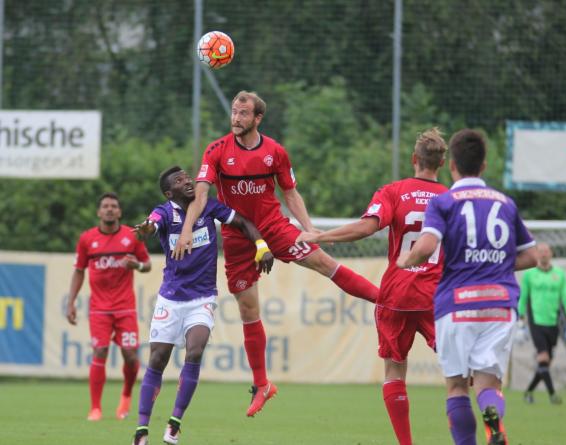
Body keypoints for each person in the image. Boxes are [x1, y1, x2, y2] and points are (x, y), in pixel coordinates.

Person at [172, 90, 380, 417]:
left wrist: (310, 229)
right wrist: (186, 229)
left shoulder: (275, 152)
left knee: (324, 263)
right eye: (234, 113)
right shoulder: (216, 151)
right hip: (238, 237)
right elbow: (200, 197)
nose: (236, 118)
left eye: (243, 114)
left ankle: (386, 300)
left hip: (275, 228)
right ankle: (263, 385)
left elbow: (290, 192)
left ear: (257, 119)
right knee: (248, 310)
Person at [297, 128, 448, 445]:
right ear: (443, 162)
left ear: (413, 159)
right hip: (437, 296)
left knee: (394, 372)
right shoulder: (450, 198)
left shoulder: (394, 192)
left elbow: (367, 228)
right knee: (460, 374)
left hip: (398, 295)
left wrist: (319, 236)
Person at [396, 129, 538, 445]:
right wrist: (496, 264)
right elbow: (529, 255)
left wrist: (407, 259)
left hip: (457, 303)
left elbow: (428, 243)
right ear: (484, 166)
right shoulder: (505, 203)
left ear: (452, 166)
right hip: (500, 304)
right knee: (488, 385)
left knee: (458, 386)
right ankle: (493, 420)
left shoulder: (444, 202)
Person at [130, 166, 274, 445]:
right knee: (157, 359)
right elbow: (153, 222)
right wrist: (147, 227)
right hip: (170, 298)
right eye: (179, 180)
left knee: (194, 351)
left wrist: (261, 244)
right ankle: (141, 430)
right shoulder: (165, 212)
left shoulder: (208, 207)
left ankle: (174, 423)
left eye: (187, 176)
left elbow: (243, 222)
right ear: (169, 192)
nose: (187, 181)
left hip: (202, 298)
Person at [66, 192, 152, 421]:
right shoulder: (87, 239)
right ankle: (95, 408)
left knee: (131, 355)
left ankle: (126, 396)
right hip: (99, 309)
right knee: (100, 351)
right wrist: (71, 302)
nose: (110, 209)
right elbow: (78, 271)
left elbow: (148, 265)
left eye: (114, 206)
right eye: (105, 206)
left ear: (119, 212)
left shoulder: (131, 237)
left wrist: (137, 266)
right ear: (99, 211)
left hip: (125, 307)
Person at [517, 242, 566, 405]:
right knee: (543, 357)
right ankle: (552, 395)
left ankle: (528, 392)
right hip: (536, 322)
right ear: (537, 254)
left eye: (546, 251)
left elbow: (565, 298)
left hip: (553, 322)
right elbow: (522, 298)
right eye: (540, 251)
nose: (543, 254)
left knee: (546, 362)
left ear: (551, 254)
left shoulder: (560, 274)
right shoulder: (529, 275)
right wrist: (520, 320)